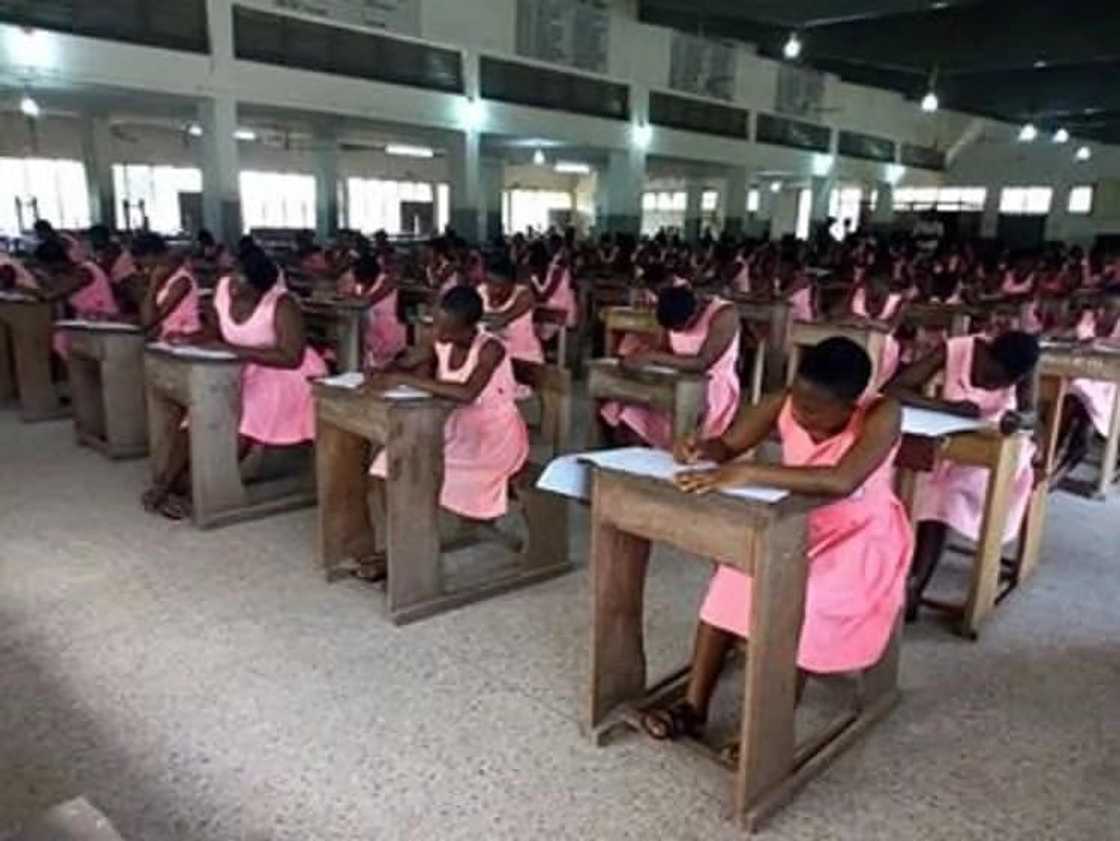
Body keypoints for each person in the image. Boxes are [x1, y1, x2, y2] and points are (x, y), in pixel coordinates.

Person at [640, 338, 912, 742]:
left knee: (807, 597)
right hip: (795, 521)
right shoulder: (786, 401)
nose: (800, 415)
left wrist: (751, 474)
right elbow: (729, 444)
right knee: (731, 579)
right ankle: (693, 706)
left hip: (860, 536)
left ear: (853, 403)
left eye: (815, 411)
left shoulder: (882, 413)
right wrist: (700, 448)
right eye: (798, 404)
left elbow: (842, 479)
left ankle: (764, 730)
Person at [141, 248, 327, 519]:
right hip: (239, 365)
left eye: (243, 284)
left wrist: (233, 351)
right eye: (234, 279)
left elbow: (291, 356)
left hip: (286, 374)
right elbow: (217, 330)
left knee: (245, 414)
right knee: (198, 412)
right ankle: (166, 484)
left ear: (262, 289)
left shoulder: (283, 304)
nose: (234, 288)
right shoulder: (224, 288)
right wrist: (192, 339)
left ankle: (201, 489)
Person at [359, 286, 530, 579]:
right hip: (456, 429)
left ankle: (408, 552)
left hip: (493, 438)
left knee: (427, 473)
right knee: (386, 466)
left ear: (468, 327)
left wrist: (403, 379)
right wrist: (385, 370)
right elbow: (409, 359)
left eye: (444, 327)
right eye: (435, 322)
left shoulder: (490, 348)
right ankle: (403, 545)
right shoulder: (441, 340)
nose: (436, 330)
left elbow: (467, 393)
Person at [885, 331, 1040, 620]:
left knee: (946, 495)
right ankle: (895, 574)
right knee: (901, 478)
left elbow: (1031, 414)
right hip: (945, 439)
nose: (993, 385)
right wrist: (947, 407)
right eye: (992, 376)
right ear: (988, 352)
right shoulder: (957, 349)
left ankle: (915, 584)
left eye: (1002, 384)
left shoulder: (1024, 364)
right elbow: (895, 389)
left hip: (996, 449)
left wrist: (1019, 418)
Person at [600, 285, 740, 449]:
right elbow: (665, 349)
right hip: (676, 379)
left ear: (694, 312)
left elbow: (702, 363)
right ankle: (635, 462)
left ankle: (662, 459)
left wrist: (653, 356)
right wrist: (639, 356)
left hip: (712, 386)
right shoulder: (670, 312)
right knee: (622, 407)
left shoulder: (724, 314)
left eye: (680, 327)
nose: (677, 331)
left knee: (650, 413)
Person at [31, 239, 119, 357]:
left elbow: (49, 296)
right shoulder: (69, 273)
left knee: (55, 340)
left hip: (101, 325)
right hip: (87, 324)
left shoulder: (84, 272)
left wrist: (26, 286)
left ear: (53, 263)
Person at [337, 254, 406, 370]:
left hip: (389, 335)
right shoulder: (359, 281)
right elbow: (344, 293)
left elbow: (367, 302)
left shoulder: (387, 282)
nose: (359, 281)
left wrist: (351, 297)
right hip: (370, 333)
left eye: (362, 278)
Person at [132, 232, 201, 341]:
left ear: (151, 255)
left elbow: (148, 322)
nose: (142, 267)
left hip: (184, 342)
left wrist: (153, 284)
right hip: (165, 341)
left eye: (142, 261)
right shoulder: (161, 278)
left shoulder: (182, 281)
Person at [479, 254, 543, 364]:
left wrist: (478, 317)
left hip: (523, 357)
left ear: (513, 285)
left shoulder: (524, 295)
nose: (495, 290)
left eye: (501, 286)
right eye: (490, 284)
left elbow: (501, 319)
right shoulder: (481, 292)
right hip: (491, 359)